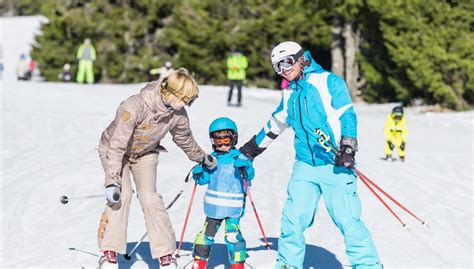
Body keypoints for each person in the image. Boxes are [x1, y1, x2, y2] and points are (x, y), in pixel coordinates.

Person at [239, 41, 382, 269]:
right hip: (305, 165)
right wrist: (249, 151)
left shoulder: (328, 82)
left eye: (286, 62)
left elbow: (348, 115)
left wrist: (347, 147)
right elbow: (275, 125)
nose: (284, 69)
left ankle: (368, 265)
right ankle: (287, 264)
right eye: (278, 66)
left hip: (334, 163)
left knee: (348, 220)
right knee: (292, 219)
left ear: (300, 59)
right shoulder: (289, 93)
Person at [97, 68, 217, 269]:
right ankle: (109, 251)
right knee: (123, 194)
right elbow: (117, 146)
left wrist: (202, 158)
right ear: (174, 94)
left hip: (145, 153)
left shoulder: (177, 114)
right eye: (187, 100)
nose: (187, 105)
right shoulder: (134, 106)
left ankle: (166, 255)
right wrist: (112, 181)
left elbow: (184, 139)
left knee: (150, 198)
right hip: (115, 152)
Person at [190, 117, 255, 269]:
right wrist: (199, 172)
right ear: (213, 142)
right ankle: (199, 262)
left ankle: (237, 264)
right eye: (219, 141)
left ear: (234, 139)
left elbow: (250, 176)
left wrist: (246, 167)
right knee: (206, 235)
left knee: (233, 236)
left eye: (226, 140)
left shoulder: (240, 157)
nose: (223, 145)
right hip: (214, 209)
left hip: (233, 209)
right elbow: (203, 180)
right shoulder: (211, 160)